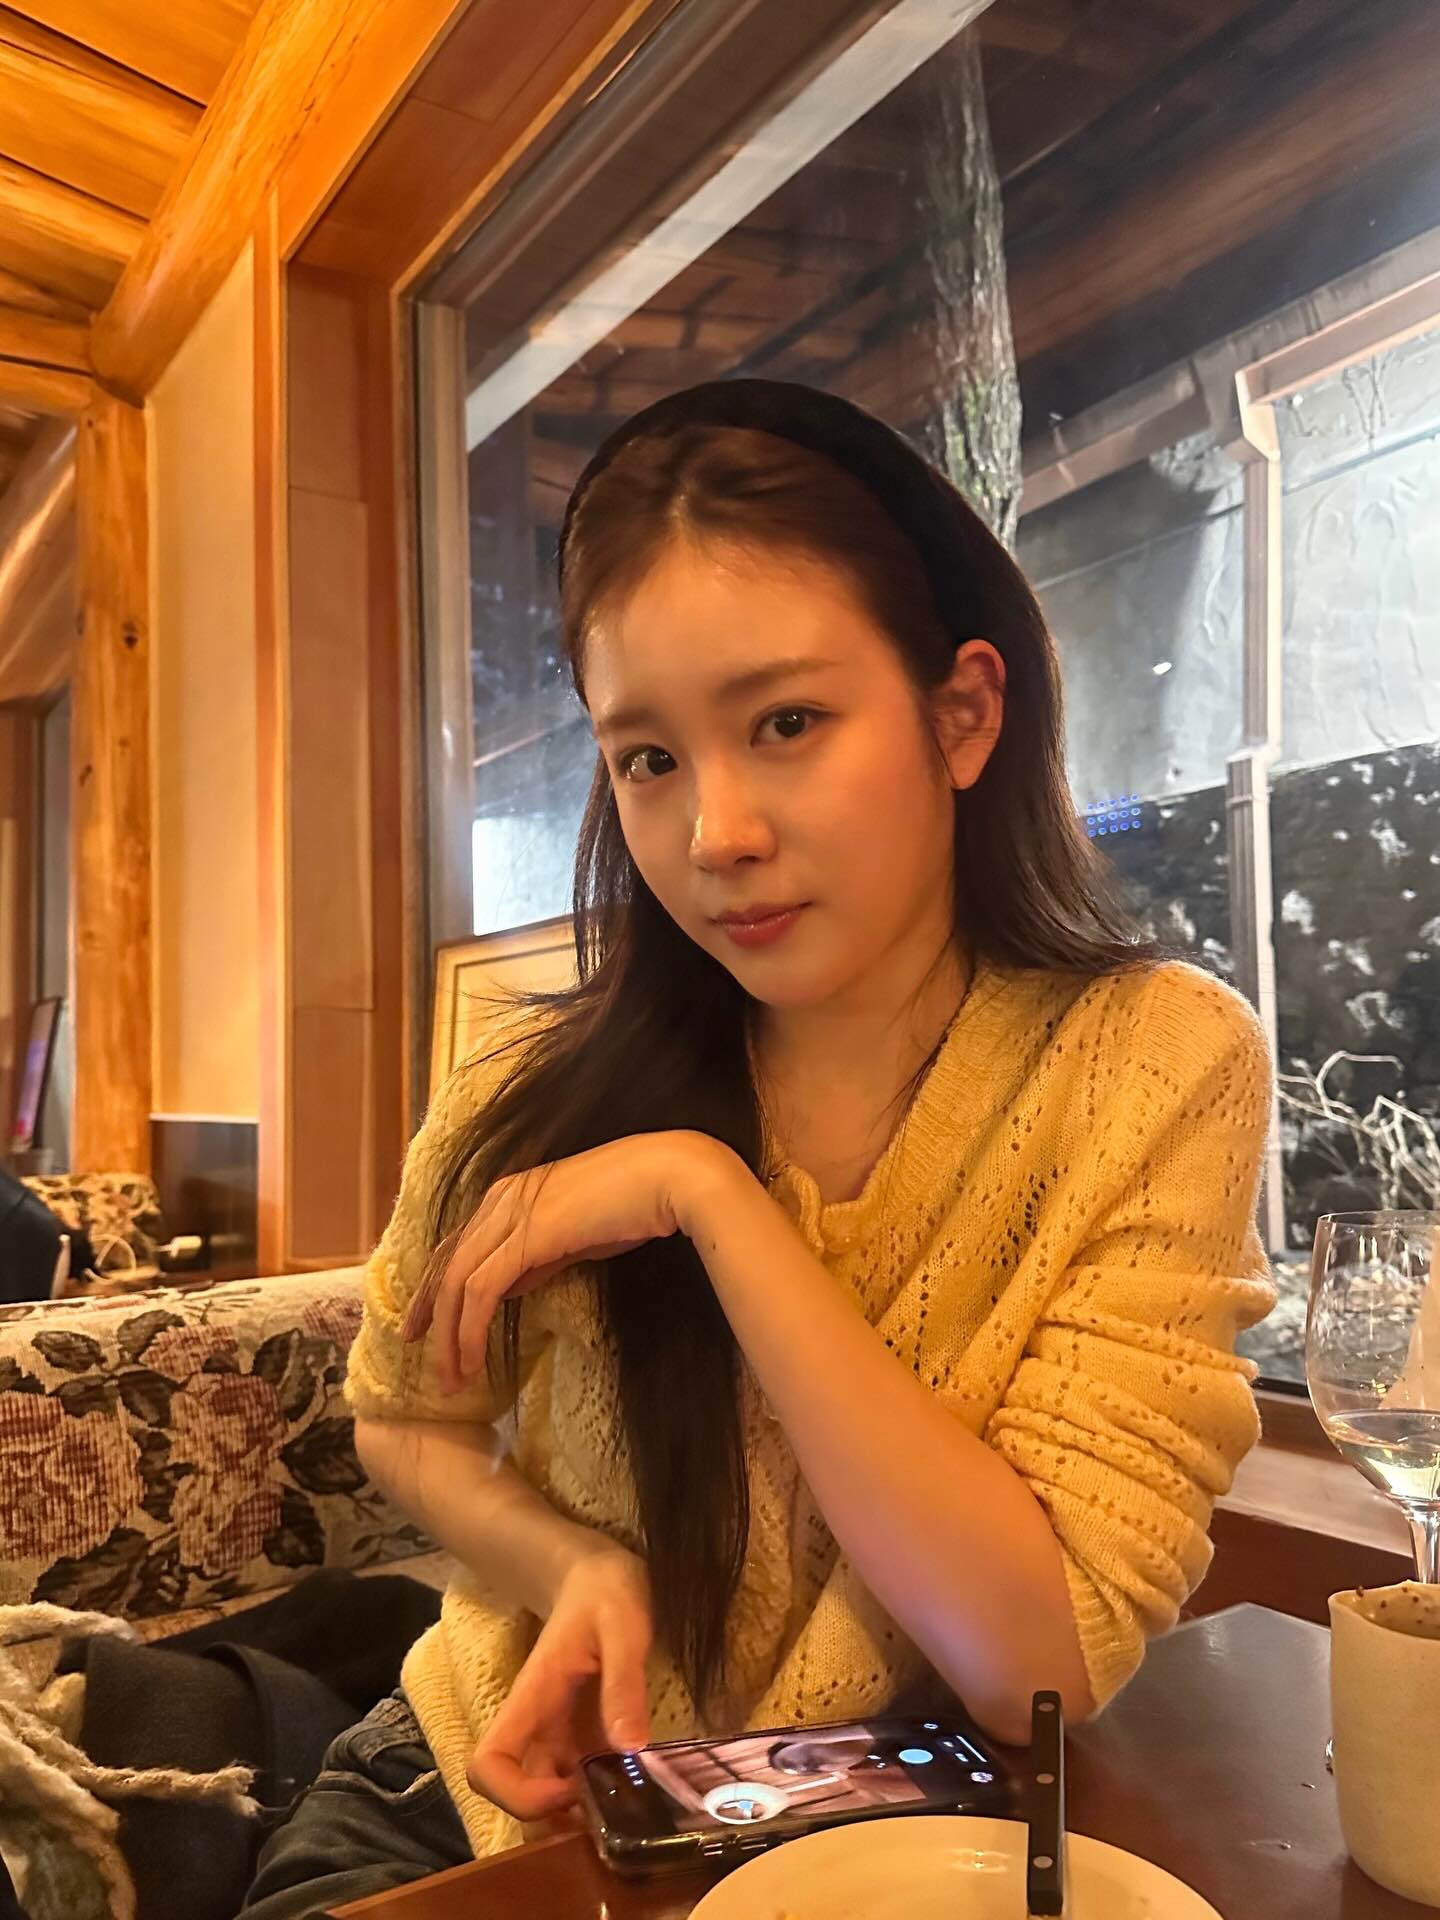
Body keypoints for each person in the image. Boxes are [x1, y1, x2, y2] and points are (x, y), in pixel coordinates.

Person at [241, 379, 1274, 1916]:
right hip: (481, 1819)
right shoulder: (535, 1089)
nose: (714, 832)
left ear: (963, 714)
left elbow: (1032, 1663)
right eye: (648, 758)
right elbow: (407, 1418)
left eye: (787, 723)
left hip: (888, 1850)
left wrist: (710, 1200)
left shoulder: (1155, 1065)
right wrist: (569, 1565)